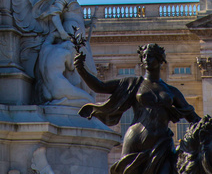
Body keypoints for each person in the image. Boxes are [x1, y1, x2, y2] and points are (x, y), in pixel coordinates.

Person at [76, 42, 200, 174]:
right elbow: (100, 87)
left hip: (162, 143)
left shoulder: (171, 91)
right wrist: (81, 70)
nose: (146, 59)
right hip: (135, 141)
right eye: (144, 56)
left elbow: (193, 117)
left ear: (160, 60)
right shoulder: (133, 83)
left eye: (150, 56)